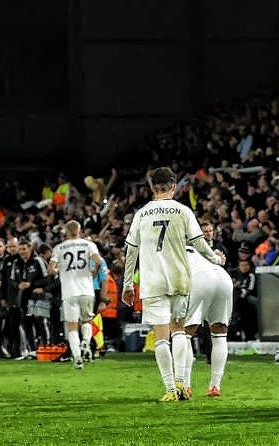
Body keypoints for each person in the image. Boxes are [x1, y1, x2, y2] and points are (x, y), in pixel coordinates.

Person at [122, 166, 218, 403]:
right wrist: (215, 259)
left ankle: (170, 389)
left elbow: (131, 251)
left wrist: (127, 285)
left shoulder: (141, 214)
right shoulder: (183, 211)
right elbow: (199, 242)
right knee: (180, 332)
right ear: (174, 186)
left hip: (153, 281)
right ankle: (182, 383)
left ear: (152, 187)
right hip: (179, 278)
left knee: (161, 337)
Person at [180, 220, 233, 399]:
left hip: (201, 280)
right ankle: (215, 387)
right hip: (223, 279)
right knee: (219, 334)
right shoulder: (208, 250)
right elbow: (220, 259)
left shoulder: (179, 250)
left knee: (185, 334)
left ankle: (185, 385)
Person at [50, 219, 104, 370]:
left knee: (72, 326)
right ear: (79, 230)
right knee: (86, 320)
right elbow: (99, 261)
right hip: (86, 289)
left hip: (69, 291)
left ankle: (78, 358)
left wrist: (57, 272)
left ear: (66, 231)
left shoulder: (59, 248)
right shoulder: (89, 245)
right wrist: (94, 271)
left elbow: (50, 269)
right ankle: (86, 341)